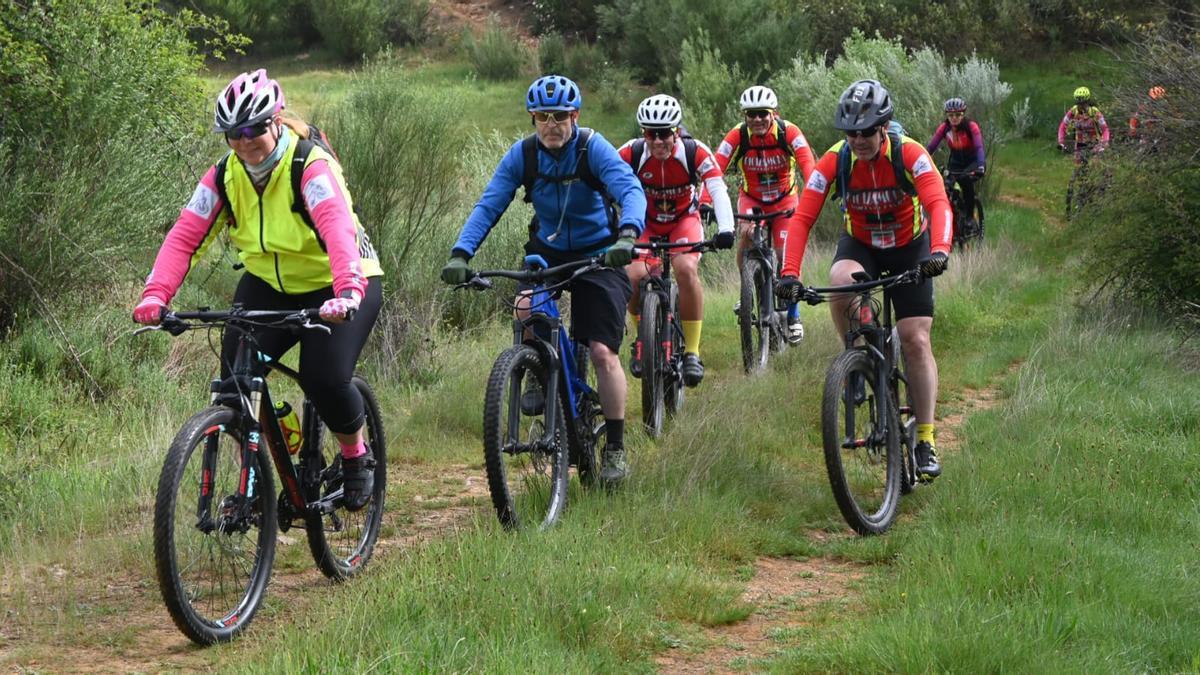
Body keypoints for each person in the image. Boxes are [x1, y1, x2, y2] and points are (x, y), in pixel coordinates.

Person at [132, 69, 384, 510]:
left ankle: (355, 455)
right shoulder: (224, 176)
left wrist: (346, 290)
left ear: (275, 121)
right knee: (234, 385)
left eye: (253, 129)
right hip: (268, 284)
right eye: (233, 133)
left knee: (323, 378)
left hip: (338, 281)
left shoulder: (309, 166)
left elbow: (337, 227)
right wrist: (156, 295)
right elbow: (184, 237)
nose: (244, 141)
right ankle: (258, 477)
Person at [440, 75, 646, 485]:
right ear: (533, 118)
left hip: (600, 253)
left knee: (604, 352)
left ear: (575, 116)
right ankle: (538, 369)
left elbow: (630, 189)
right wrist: (461, 253)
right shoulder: (524, 155)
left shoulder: (592, 148)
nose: (551, 125)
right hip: (548, 254)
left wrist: (628, 233)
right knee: (526, 307)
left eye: (559, 116)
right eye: (542, 117)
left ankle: (616, 450)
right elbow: (489, 204)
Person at [777, 79, 953, 479]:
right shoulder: (835, 161)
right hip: (862, 244)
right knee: (840, 280)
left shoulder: (910, 154)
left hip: (911, 246)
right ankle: (856, 355)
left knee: (915, 339)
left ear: (883, 127)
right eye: (851, 133)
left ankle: (925, 438)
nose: (858, 140)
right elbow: (802, 217)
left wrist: (939, 251)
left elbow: (938, 203)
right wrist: (789, 274)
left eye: (866, 131)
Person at [617, 94, 736, 387]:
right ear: (642, 133)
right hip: (645, 222)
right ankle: (641, 339)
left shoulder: (694, 152)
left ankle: (692, 351)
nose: (658, 141)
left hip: (684, 221)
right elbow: (604, 183)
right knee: (631, 276)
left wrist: (726, 228)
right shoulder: (630, 153)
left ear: (677, 131)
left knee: (685, 269)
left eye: (665, 134)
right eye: (650, 134)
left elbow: (717, 188)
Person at [713, 85, 817, 343]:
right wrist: (707, 199)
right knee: (746, 235)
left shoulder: (788, 132)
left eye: (762, 114)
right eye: (751, 114)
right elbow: (715, 167)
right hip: (752, 198)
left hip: (785, 200)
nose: (757, 119)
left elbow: (807, 163)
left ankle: (793, 315)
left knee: (785, 253)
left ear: (774, 113)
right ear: (745, 116)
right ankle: (747, 289)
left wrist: (813, 196)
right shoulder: (738, 136)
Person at [926, 97, 986, 228]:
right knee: (946, 186)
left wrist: (981, 165)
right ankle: (953, 216)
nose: (954, 118)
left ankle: (970, 217)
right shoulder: (944, 128)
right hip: (956, 162)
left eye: (958, 115)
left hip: (974, 161)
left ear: (963, 114)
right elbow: (931, 147)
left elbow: (979, 147)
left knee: (965, 180)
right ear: (947, 115)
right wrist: (920, 161)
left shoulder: (971, 127)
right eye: (951, 115)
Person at [1058, 86, 1110, 164]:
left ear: (1088, 102)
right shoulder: (1073, 111)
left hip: (1095, 143)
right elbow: (1063, 126)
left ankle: (1107, 175)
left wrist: (1105, 142)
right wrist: (1061, 141)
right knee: (1078, 166)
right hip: (1080, 144)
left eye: (1084, 103)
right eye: (1079, 103)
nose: (1081, 106)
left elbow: (1105, 128)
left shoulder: (1094, 112)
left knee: (1096, 163)